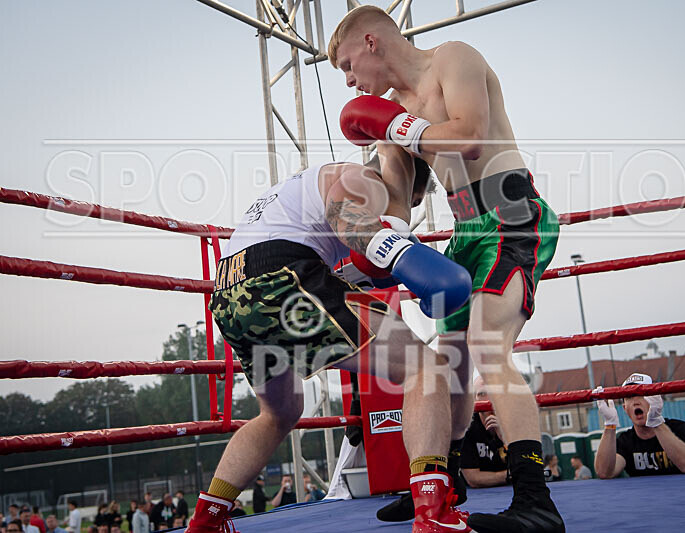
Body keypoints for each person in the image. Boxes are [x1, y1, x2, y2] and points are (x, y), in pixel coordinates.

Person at [329, 6, 564, 532]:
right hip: (464, 232)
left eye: (347, 65)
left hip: (512, 214)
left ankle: (536, 499)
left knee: (485, 345)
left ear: (371, 42)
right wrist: (364, 222)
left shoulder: (452, 59)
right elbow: (401, 203)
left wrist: (399, 127)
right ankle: (446, 481)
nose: (348, 81)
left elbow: (471, 134)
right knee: (449, 360)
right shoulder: (389, 113)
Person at [185, 157, 471, 533]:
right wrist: (398, 252)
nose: (399, 212)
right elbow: (350, 221)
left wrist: (400, 267)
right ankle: (432, 513)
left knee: (279, 414)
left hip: (231, 294)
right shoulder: (358, 177)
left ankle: (207, 521)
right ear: (401, 180)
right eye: (408, 201)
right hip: (282, 277)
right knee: (428, 368)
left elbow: (350, 264)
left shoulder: (302, 191)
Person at [594, 373, 685, 478]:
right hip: (648, 499)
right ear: (625, 408)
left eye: (642, 394)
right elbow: (604, 473)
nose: (635, 402)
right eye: (629, 396)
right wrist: (610, 426)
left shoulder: (681, 429)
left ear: (655, 400)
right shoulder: (626, 441)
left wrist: (656, 423)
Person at [459, 376, 509, 489]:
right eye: (482, 394)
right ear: (473, 399)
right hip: (478, 496)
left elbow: (527, 466)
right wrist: (511, 475)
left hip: (516, 491)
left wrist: (505, 438)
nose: (489, 399)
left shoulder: (513, 420)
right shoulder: (466, 426)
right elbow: (473, 479)